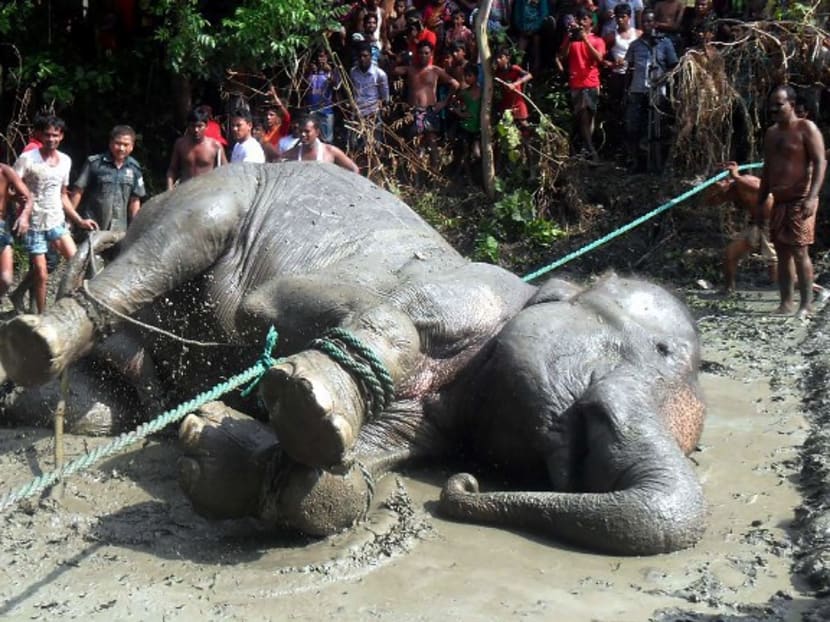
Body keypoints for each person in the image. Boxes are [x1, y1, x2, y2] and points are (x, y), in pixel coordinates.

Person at [12, 115, 98, 313]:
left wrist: (78, 220)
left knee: (77, 262)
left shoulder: (65, 161)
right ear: (40, 135)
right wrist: (23, 208)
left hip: (56, 220)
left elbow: (62, 195)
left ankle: (75, 309)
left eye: (55, 135)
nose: (51, 139)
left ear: (61, 137)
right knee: (41, 273)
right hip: (34, 223)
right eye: (47, 135)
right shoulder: (28, 159)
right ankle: (42, 317)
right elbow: (11, 188)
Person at [758, 85, 827, 316]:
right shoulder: (771, 133)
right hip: (779, 201)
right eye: (772, 105)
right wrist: (761, 200)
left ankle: (806, 305)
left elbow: (820, 162)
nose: (774, 109)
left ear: (792, 105)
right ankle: (786, 302)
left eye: (779, 104)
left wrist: (812, 196)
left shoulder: (806, 128)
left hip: (801, 199)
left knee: (799, 251)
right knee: (782, 252)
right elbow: (768, 168)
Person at [702, 162, 776, 292]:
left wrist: (736, 176)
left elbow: (763, 189)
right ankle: (728, 289)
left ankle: (817, 289)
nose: (718, 186)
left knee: (776, 276)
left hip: (773, 223)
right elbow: (709, 202)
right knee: (730, 254)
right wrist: (712, 189)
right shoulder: (729, 190)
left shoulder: (745, 181)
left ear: (727, 180)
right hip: (756, 224)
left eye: (719, 183)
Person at [624, 10, 677, 172]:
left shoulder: (665, 43)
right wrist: (626, 91)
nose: (646, 25)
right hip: (637, 91)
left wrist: (662, 79)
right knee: (634, 127)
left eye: (649, 22)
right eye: (644, 22)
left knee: (656, 129)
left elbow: (673, 67)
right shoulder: (635, 45)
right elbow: (629, 69)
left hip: (657, 92)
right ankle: (638, 163)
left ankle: (657, 164)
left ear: (655, 23)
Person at [395, 39, 460, 168]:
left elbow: (455, 84)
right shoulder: (410, 69)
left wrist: (443, 102)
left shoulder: (435, 70)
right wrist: (401, 59)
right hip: (412, 111)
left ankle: (434, 176)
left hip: (430, 111)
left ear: (431, 54)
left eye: (426, 53)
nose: (423, 56)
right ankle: (414, 175)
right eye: (420, 53)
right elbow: (395, 70)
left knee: (432, 142)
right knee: (413, 143)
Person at [71, 125, 146, 235]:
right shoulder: (95, 163)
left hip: (119, 231)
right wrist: (71, 220)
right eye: (118, 143)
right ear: (110, 143)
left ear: (132, 146)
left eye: (126, 145)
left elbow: (135, 200)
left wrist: (135, 228)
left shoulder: (134, 168)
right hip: (92, 227)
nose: (121, 148)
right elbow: (78, 191)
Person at [559, 7, 606, 162]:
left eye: (585, 19)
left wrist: (585, 39)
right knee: (584, 116)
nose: (581, 22)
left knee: (588, 119)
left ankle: (587, 149)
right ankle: (592, 152)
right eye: (579, 19)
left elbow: (599, 59)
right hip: (576, 83)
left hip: (592, 82)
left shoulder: (597, 40)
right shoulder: (571, 39)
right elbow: (563, 56)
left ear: (591, 22)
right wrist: (570, 38)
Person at [166, 107, 227, 189]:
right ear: (188, 126)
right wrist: (169, 189)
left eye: (200, 126)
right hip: (184, 191)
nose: (196, 130)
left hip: (207, 192)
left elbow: (226, 171)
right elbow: (172, 169)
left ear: (206, 126)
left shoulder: (215, 146)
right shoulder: (180, 144)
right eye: (192, 126)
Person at [348, 41, 390, 154]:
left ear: (371, 56)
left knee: (374, 147)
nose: (362, 59)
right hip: (356, 115)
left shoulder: (380, 74)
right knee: (355, 147)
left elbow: (385, 98)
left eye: (365, 56)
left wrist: (378, 109)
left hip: (372, 116)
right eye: (360, 56)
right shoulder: (353, 72)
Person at [281, 114, 361, 173]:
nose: (303, 134)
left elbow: (354, 169)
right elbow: (277, 162)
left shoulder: (330, 151)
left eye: (307, 131)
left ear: (317, 132)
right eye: (301, 131)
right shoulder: (293, 153)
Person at [0, 164, 32, 298]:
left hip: (1, 226)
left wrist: (24, 216)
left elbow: (28, 197)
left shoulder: (5, 171)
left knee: (6, 279)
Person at [305, 49, 342, 143]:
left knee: (327, 140)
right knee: (311, 138)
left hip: (326, 110)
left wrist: (330, 73)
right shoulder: (310, 71)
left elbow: (336, 86)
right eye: (318, 57)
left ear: (327, 57)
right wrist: (309, 71)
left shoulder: (331, 70)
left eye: (322, 56)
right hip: (312, 110)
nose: (319, 59)